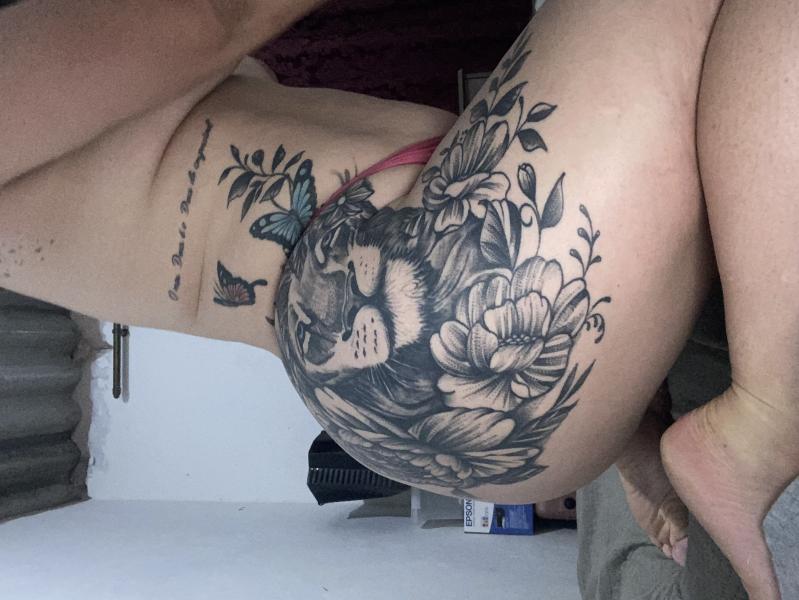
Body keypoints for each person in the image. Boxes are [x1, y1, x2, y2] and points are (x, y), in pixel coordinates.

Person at [1, 2, 796, 598]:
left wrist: (618, 435)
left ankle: (632, 429)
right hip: (441, 286)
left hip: (410, 410)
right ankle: (763, 417)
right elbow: (218, 15)